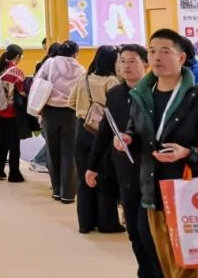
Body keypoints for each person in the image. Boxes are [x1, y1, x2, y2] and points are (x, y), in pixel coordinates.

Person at [116, 29, 198, 278]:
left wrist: (188, 153)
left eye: (165, 51)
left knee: (189, 269)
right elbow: (136, 133)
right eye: (152, 51)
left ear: (181, 58)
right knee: (153, 263)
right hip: (152, 195)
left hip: (189, 198)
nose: (157, 57)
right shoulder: (141, 97)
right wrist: (128, 140)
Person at [88, 44, 160, 278]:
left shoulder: (157, 94)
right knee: (134, 231)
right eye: (122, 61)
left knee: (151, 231)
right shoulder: (115, 95)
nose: (125, 66)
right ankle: (145, 271)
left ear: (145, 65)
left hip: (154, 170)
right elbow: (104, 131)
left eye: (132, 61)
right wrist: (92, 165)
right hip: (125, 171)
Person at [68, 45, 122, 234]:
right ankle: (107, 223)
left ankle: (86, 222)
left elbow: (70, 102)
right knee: (105, 176)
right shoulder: (112, 81)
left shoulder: (83, 78)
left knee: (85, 177)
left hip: (82, 129)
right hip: (103, 132)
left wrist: (85, 111)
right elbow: (116, 108)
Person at [34, 39, 85, 203]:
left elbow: (37, 81)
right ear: (75, 53)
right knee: (69, 153)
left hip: (50, 111)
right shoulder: (80, 69)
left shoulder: (50, 63)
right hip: (71, 112)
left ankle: (56, 189)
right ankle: (68, 193)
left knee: (52, 150)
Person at [0, 44, 26, 183]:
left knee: (1, 142)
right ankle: (14, 174)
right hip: (10, 113)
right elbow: (22, 91)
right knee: (14, 144)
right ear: (17, 56)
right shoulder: (17, 73)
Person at [28, 41, 61, 174]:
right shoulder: (53, 65)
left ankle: (44, 162)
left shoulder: (43, 64)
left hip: (41, 105)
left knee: (53, 138)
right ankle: (39, 160)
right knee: (53, 139)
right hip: (48, 106)